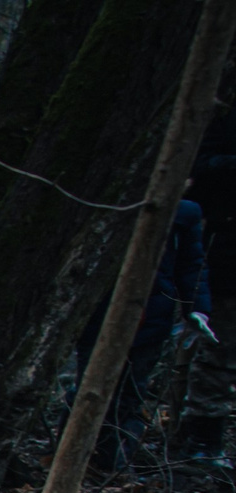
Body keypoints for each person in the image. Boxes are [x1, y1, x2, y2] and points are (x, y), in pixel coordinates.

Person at [81, 197, 211, 472]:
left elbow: (191, 264)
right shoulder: (111, 198)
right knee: (87, 386)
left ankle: (115, 465)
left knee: (132, 390)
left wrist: (197, 310)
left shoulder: (183, 211)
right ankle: (80, 459)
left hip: (151, 315)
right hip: (99, 311)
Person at [178, 109, 236, 471]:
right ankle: (203, 441)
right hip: (228, 257)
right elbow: (197, 169)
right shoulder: (225, 123)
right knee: (219, 349)